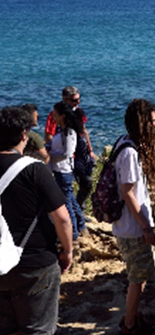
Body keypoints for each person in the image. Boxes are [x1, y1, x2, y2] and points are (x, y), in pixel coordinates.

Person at [0, 106, 73, 335]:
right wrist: (67, 251)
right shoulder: (34, 169)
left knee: (6, 327)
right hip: (35, 260)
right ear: (23, 135)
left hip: (0, 262)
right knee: (35, 329)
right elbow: (62, 218)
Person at [113, 99, 155, 335]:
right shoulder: (131, 152)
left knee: (138, 274)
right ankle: (130, 324)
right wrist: (146, 225)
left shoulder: (122, 142)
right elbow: (128, 193)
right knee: (137, 278)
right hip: (132, 227)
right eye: (153, 121)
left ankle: (132, 317)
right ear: (143, 123)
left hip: (125, 224)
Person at [45, 86, 96, 208]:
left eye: (79, 99)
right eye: (74, 100)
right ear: (65, 99)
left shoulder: (78, 112)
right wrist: (58, 151)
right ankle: (74, 212)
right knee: (67, 185)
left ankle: (79, 207)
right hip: (66, 155)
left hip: (80, 151)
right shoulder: (55, 114)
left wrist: (91, 150)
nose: (77, 102)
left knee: (87, 182)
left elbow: (83, 130)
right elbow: (49, 135)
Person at [48, 101, 86, 239]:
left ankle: (73, 233)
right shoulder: (61, 130)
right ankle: (80, 225)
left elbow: (68, 153)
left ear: (62, 116)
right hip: (60, 170)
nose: (52, 115)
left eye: (55, 113)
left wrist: (50, 154)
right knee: (71, 200)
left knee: (67, 203)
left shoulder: (69, 132)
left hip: (64, 171)